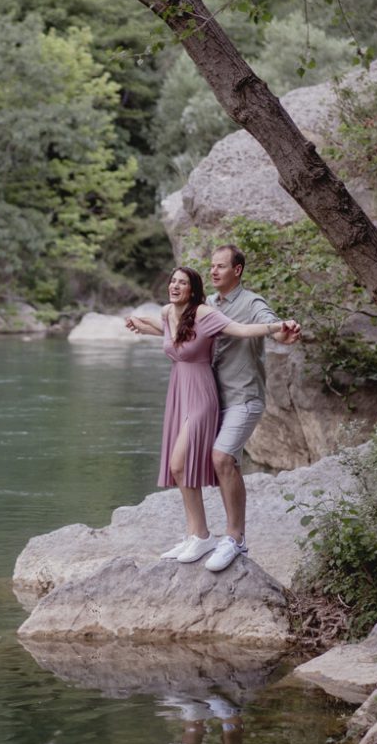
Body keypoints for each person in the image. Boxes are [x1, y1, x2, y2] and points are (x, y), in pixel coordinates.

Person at [126, 266, 298, 563]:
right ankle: (196, 535)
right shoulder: (168, 312)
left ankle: (205, 537)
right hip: (179, 394)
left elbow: (241, 330)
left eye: (182, 282)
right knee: (178, 468)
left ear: (193, 290)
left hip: (201, 395)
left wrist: (276, 327)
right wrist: (142, 325)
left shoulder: (205, 314)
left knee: (179, 463)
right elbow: (169, 332)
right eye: (172, 281)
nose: (175, 286)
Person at [205, 245, 302, 572]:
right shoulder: (208, 303)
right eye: (212, 266)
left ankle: (234, 537)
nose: (214, 271)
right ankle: (214, 535)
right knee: (225, 463)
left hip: (244, 397)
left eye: (221, 266)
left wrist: (284, 333)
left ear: (238, 270)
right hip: (213, 399)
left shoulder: (252, 302)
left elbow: (272, 325)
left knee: (222, 458)